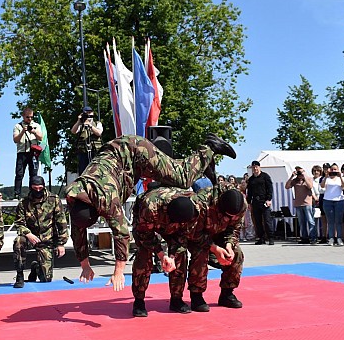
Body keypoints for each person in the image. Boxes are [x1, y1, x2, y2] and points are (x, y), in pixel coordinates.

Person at [66, 133, 236, 292]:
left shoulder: (106, 197)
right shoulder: (75, 197)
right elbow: (77, 231)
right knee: (178, 176)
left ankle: (209, 146)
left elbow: (122, 233)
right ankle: (203, 164)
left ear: (97, 209)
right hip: (120, 157)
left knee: (182, 178)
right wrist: (85, 265)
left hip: (135, 150)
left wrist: (118, 271)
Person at [130, 187, 202, 316]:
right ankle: (139, 301)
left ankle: (176, 299)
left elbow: (183, 236)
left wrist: (172, 257)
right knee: (144, 254)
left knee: (181, 254)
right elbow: (145, 235)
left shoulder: (194, 208)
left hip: (175, 224)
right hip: (147, 223)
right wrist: (161, 255)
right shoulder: (150, 205)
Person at [184, 188, 246, 312]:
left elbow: (234, 229)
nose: (231, 218)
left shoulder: (241, 205)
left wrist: (229, 245)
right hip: (198, 236)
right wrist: (215, 250)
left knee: (237, 254)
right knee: (200, 255)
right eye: (228, 215)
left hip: (220, 235)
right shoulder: (201, 204)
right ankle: (196, 296)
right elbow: (193, 233)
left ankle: (227, 293)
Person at [12, 176, 68, 287]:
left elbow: (61, 222)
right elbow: (19, 223)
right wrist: (28, 234)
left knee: (46, 279)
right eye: (35, 188)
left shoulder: (54, 200)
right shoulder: (24, 203)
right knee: (18, 241)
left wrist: (61, 243)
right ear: (30, 188)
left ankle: (36, 267)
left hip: (47, 239)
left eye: (40, 188)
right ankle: (20, 274)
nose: (38, 190)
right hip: (30, 238)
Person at [13, 107, 44, 199]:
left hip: (33, 153)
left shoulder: (36, 125)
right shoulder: (17, 126)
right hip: (22, 152)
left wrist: (33, 131)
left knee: (33, 174)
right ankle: (17, 193)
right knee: (19, 173)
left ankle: (33, 192)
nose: (29, 119)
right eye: (27, 117)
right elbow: (15, 139)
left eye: (31, 117)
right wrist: (23, 131)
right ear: (23, 116)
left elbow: (41, 138)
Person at [285, 166, 316, 244]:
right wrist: (292, 176)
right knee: (302, 222)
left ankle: (313, 238)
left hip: (307, 203)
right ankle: (304, 238)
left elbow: (310, 186)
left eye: (300, 171)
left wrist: (304, 175)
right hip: (298, 204)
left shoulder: (308, 178)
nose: (299, 174)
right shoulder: (295, 181)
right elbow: (287, 186)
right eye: (298, 172)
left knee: (310, 221)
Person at [247, 160, 274, 245]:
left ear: (259, 167)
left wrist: (269, 199)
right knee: (257, 221)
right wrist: (249, 202)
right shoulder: (251, 179)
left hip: (264, 200)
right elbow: (249, 192)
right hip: (255, 201)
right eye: (253, 167)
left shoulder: (265, 176)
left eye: (256, 167)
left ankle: (270, 238)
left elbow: (270, 189)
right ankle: (261, 238)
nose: (255, 168)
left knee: (267, 220)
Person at [320, 163, 344, 246]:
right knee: (330, 221)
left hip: (339, 200)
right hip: (328, 200)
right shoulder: (327, 178)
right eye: (332, 169)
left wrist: (340, 176)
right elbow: (322, 186)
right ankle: (331, 238)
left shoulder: (341, 178)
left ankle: (339, 238)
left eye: (335, 169)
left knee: (338, 221)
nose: (333, 171)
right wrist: (326, 176)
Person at [71, 106, 103, 175]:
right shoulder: (80, 125)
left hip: (95, 151)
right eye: (86, 113)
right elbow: (73, 131)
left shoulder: (97, 123)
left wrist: (90, 125)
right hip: (83, 152)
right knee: (83, 172)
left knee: (96, 171)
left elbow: (99, 133)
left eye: (90, 112)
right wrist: (79, 121)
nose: (88, 115)